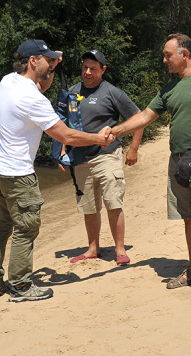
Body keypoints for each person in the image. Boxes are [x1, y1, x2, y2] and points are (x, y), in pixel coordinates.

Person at [0, 39, 115, 302]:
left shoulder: (7, 81)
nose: (51, 65)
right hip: (17, 174)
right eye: (46, 60)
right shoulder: (32, 98)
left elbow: (42, 82)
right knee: (26, 228)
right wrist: (98, 139)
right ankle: (20, 285)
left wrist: (51, 66)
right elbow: (66, 135)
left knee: (2, 224)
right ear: (33, 61)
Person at [111, 34, 191, 299]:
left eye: (168, 55)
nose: (164, 60)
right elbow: (145, 116)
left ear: (184, 54)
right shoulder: (169, 88)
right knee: (189, 217)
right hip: (178, 162)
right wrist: (116, 131)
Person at [66, 50, 144, 266]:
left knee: (113, 201)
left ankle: (120, 250)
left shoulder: (112, 92)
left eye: (93, 68)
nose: (87, 72)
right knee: (88, 205)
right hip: (80, 157)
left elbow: (139, 118)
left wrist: (133, 149)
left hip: (107, 155)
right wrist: (61, 152)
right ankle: (93, 248)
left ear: (103, 70)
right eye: (84, 67)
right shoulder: (72, 92)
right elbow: (65, 126)